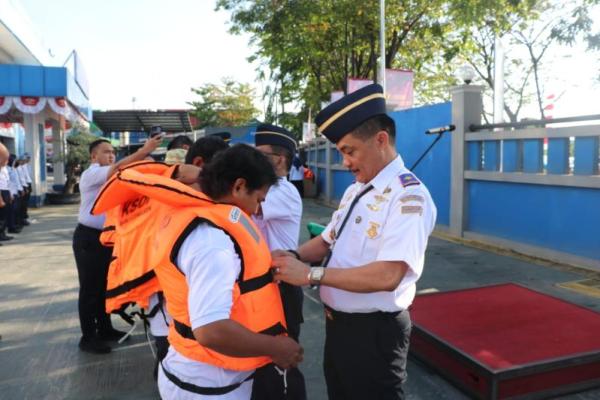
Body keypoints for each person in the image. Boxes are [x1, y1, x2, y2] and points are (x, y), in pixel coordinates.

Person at [272, 84, 437, 400]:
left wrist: (310, 274)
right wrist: (292, 255)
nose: (345, 162)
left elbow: (388, 276)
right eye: (341, 153)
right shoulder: (356, 189)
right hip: (339, 326)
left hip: (374, 331)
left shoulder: (408, 197)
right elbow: (326, 241)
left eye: (350, 151)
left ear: (380, 140)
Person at [140, 144, 303, 399]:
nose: (257, 210)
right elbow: (210, 329)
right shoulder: (213, 242)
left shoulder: (191, 215)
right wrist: (276, 347)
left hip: (198, 371)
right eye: (258, 199)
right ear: (239, 186)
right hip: (207, 383)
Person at [72, 135, 162, 354]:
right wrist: (144, 151)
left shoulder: (111, 176)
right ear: (93, 156)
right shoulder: (91, 173)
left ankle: (104, 329)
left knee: (104, 286)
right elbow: (118, 167)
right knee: (90, 289)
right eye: (106, 152)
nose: (111, 155)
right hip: (89, 238)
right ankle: (88, 337)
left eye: (113, 152)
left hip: (106, 237)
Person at [251, 124, 306, 400]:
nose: (253, 161)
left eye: (260, 156)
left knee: (282, 361)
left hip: (282, 286)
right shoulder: (263, 187)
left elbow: (245, 202)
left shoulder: (283, 191)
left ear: (280, 159)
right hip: (262, 286)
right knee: (262, 361)